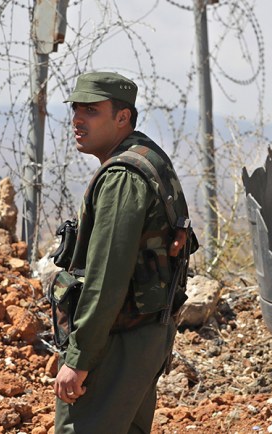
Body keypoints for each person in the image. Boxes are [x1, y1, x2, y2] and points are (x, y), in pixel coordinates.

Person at [53, 71, 193, 433]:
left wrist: (79, 359)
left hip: (117, 342)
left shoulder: (122, 177)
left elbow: (106, 279)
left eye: (91, 111)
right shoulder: (147, 156)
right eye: (76, 109)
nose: (78, 120)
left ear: (122, 117)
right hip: (146, 335)